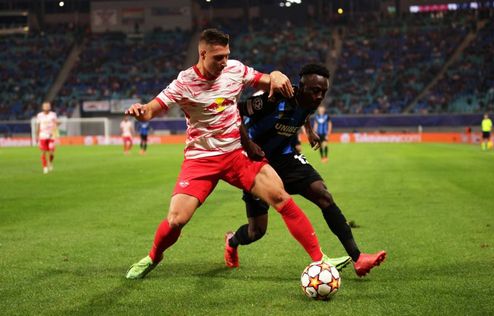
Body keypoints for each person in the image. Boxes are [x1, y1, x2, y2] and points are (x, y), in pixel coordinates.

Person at [124, 29, 348, 280]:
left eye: (227, 56)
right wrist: (139, 110)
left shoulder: (234, 70)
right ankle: (154, 256)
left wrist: (274, 75)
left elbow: (267, 80)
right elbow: (150, 111)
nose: (224, 62)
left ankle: (321, 259)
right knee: (176, 219)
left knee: (280, 196)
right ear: (202, 53)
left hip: (236, 153)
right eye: (218, 57)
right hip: (201, 158)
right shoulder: (183, 83)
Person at [224, 64, 386, 277]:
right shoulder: (275, 98)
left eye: (324, 92)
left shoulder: (309, 101)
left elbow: (305, 112)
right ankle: (232, 241)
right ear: (300, 88)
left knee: (323, 194)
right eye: (315, 91)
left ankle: (358, 258)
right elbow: (235, 110)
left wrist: (309, 132)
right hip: (258, 162)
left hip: (285, 157)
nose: (320, 97)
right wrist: (247, 145)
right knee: (257, 231)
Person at [35, 102, 59, 174]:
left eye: (48, 106)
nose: (47, 108)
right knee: (43, 152)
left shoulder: (53, 114)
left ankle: (50, 162)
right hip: (42, 135)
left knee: (51, 152)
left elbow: (56, 123)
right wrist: (36, 135)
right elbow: (38, 126)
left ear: (50, 107)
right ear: (43, 108)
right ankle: (45, 167)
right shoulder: (39, 115)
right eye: (45, 106)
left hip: (51, 135)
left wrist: (57, 124)